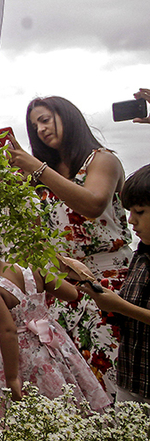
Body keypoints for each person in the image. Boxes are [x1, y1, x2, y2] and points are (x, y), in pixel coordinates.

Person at [6, 95, 131, 395]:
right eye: (35, 126)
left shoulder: (102, 160)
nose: (40, 130)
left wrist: (39, 170)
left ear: (68, 117)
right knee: (76, 386)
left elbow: (93, 204)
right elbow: (36, 237)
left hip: (110, 284)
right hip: (64, 291)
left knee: (114, 379)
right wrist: (16, 186)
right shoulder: (43, 176)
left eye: (45, 120)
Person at [0, 259, 110, 412]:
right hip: (53, 340)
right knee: (66, 390)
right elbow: (72, 294)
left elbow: (8, 331)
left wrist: (12, 378)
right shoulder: (31, 268)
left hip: (18, 353)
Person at [79, 164, 150, 404]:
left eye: (140, 212)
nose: (131, 221)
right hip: (131, 378)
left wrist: (120, 306)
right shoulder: (140, 254)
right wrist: (104, 298)